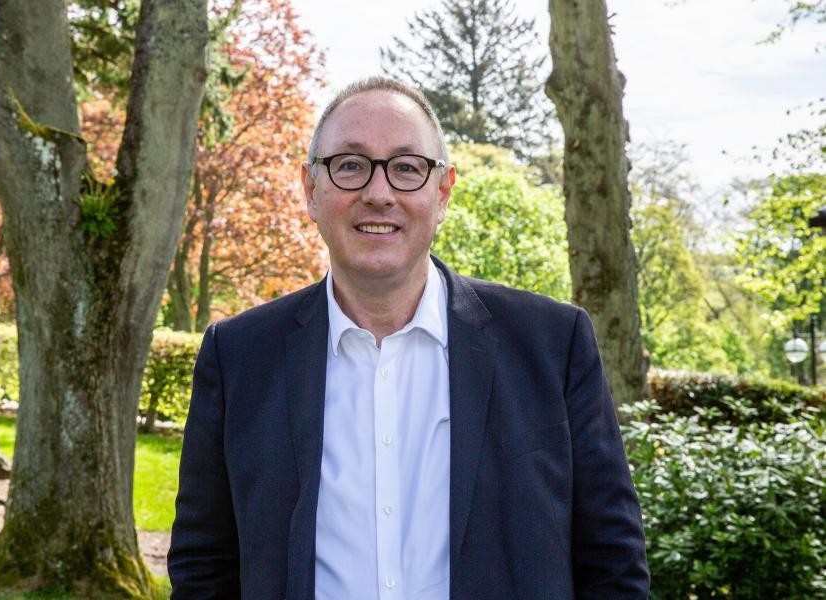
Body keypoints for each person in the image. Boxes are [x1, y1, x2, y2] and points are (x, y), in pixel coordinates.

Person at [167, 76, 649, 599]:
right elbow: (204, 567)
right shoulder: (239, 357)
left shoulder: (553, 346)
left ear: (442, 192)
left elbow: (613, 564)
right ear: (310, 190)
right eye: (350, 165)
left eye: (406, 168)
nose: (379, 194)